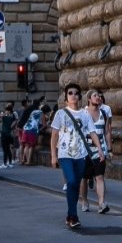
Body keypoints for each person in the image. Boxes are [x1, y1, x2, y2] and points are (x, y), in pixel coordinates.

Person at [50, 84, 99, 229]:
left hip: (81, 154)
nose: (73, 95)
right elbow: (54, 135)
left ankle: (70, 215)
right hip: (65, 154)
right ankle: (74, 216)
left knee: (76, 185)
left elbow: (92, 132)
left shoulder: (85, 115)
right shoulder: (60, 114)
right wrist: (53, 155)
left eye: (76, 93)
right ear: (66, 97)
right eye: (70, 93)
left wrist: (100, 151)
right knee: (71, 181)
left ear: (79, 96)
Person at [80, 90, 111, 213]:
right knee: (84, 178)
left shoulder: (104, 113)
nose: (98, 98)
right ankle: (84, 201)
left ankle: (101, 203)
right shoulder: (83, 113)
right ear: (89, 99)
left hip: (100, 150)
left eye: (99, 96)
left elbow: (107, 132)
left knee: (100, 176)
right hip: (85, 150)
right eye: (95, 96)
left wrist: (109, 148)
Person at [0, 103, 18, 167]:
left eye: (6, 110)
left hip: (4, 134)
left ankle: (5, 163)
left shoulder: (4, 117)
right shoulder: (12, 117)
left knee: (5, 149)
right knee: (8, 149)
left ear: (8, 111)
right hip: (10, 134)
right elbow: (13, 124)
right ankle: (10, 162)